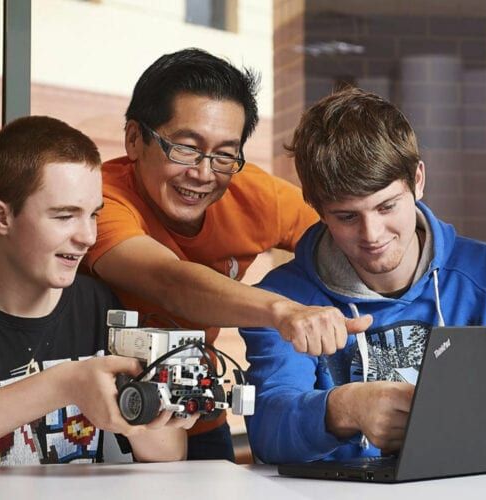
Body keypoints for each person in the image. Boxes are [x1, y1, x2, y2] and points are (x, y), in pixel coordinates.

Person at [240, 88, 486, 464]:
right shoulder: (281, 300)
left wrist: (435, 432)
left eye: (387, 206)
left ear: (418, 180)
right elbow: (268, 431)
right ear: (317, 208)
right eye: (347, 217)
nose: (372, 234)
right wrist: (341, 410)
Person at [80, 48, 372, 461]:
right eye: (185, 147)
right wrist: (283, 311)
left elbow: (351, 234)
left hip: (193, 417)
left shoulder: (253, 193)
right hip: (92, 422)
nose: (203, 173)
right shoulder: (99, 199)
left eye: (224, 154)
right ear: (134, 139)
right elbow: (169, 280)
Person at [0, 116, 195, 476]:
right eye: (65, 216)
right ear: (1, 217)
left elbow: (170, 453)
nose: (88, 237)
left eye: (93, 215)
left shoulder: (100, 306)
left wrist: (141, 410)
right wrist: (65, 383)